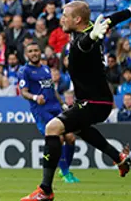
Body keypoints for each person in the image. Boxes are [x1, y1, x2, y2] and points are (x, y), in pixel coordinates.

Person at [21, 0, 131, 201]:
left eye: (65, 16)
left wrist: (94, 37)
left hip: (94, 103)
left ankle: (45, 191)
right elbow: (111, 19)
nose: (61, 19)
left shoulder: (84, 39)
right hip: (97, 101)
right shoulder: (89, 30)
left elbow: (84, 44)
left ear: (77, 20)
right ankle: (119, 158)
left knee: (53, 128)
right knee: (79, 129)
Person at [19, 42, 79, 183]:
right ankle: (65, 173)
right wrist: (35, 97)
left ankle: (65, 170)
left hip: (55, 108)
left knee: (71, 138)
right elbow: (23, 92)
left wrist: (63, 104)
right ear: (27, 54)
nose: (34, 53)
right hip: (42, 111)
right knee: (58, 138)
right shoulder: (24, 71)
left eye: (36, 50)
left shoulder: (46, 69)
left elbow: (52, 90)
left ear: (40, 52)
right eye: (31, 51)